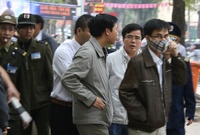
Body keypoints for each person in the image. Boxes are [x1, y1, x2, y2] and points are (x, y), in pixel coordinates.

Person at [119, 19, 188, 135]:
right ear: (148, 38)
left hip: (161, 125)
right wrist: (143, 116)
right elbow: (125, 92)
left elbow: (181, 80)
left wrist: (175, 55)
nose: (163, 40)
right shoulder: (138, 62)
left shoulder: (165, 61)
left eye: (166, 36)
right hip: (141, 128)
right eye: (158, 36)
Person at [61, 13, 118, 135]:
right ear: (107, 31)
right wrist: (91, 99)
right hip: (91, 118)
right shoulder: (88, 52)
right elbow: (68, 79)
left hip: (97, 117)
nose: (117, 34)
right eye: (116, 29)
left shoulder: (99, 51)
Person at [49, 14, 92, 135]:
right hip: (64, 109)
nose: (94, 36)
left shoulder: (92, 51)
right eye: (91, 32)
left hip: (83, 109)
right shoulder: (64, 51)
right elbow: (74, 80)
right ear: (79, 31)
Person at [13, 13, 53, 135]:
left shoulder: (42, 48)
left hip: (42, 102)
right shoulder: (12, 50)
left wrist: (50, 98)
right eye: (25, 28)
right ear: (18, 29)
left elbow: (50, 76)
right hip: (21, 103)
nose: (29, 31)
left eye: (31, 28)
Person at [106, 23, 144, 135]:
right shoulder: (110, 59)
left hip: (137, 119)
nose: (133, 41)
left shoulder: (146, 61)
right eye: (129, 37)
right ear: (123, 39)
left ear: (142, 41)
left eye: (137, 38)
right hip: (115, 119)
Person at [166, 22, 196, 135]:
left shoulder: (183, 62)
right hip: (156, 118)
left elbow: (188, 87)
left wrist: (190, 111)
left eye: (173, 40)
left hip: (175, 115)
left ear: (177, 41)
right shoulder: (154, 61)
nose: (170, 43)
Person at [0, 14, 22, 135]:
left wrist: (23, 113)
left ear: (14, 31)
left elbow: (23, 86)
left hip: (12, 112)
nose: (6, 32)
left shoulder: (19, 55)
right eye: (3, 28)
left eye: (10, 29)